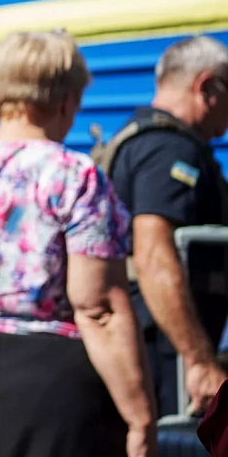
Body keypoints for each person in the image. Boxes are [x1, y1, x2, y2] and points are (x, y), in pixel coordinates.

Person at [0, 30, 157, 457]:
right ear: (65, 99)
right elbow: (97, 308)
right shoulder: (74, 175)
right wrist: (139, 416)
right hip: (50, 379)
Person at [90, 35, 228, 418]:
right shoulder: (171, 149)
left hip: (152, 333)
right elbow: (153, 255)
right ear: (206, 87)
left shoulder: (136, 136)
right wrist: (198, 360)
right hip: (166, 346)